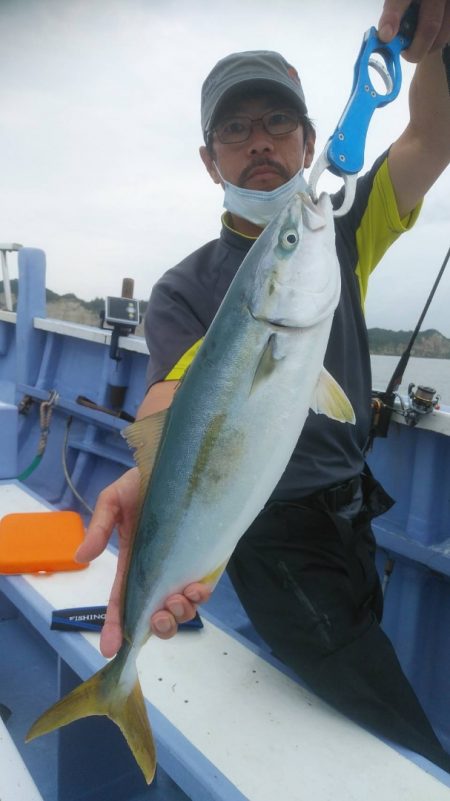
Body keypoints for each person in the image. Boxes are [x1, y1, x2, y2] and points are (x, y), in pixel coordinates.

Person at [77, 0, 450, 771]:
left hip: (353, 512)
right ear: (208, 159)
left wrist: (438, 46)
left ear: (312, 141)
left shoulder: (336, 235)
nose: (259, 144)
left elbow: (432, 135)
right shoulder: (189, 289)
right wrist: (152, 476)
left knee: (354, 658)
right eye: (234, 129)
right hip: (272, 539)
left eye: (279, 122)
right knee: (402, 742)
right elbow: (167, 403)